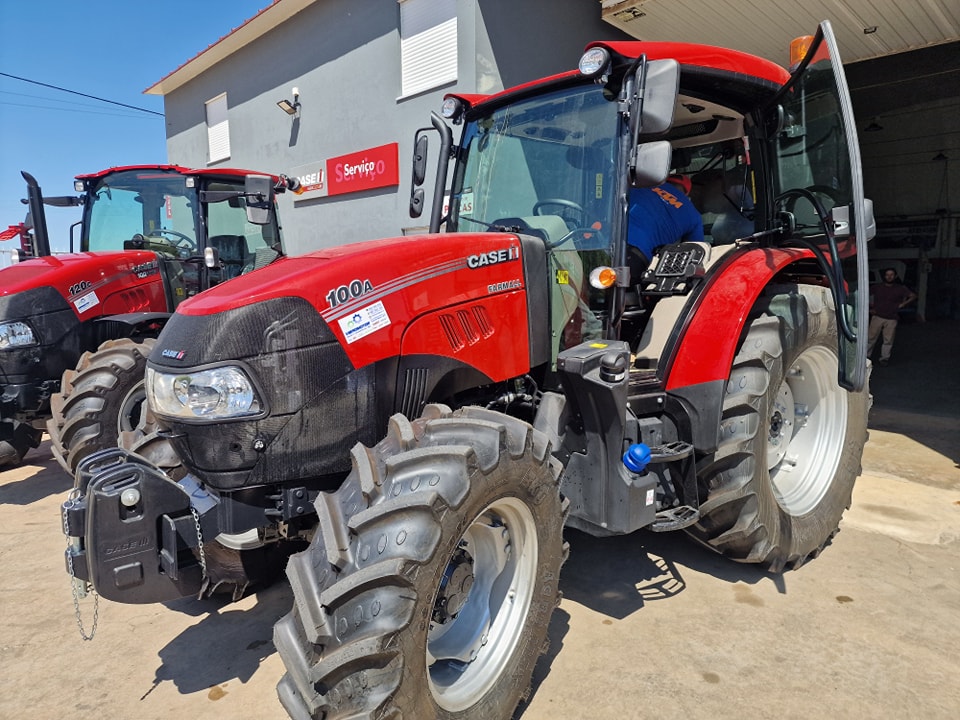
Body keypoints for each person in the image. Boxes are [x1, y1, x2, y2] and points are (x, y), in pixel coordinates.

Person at [626, 174, 703, 282]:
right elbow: (696, 252)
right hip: (637, 256)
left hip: (605, 241)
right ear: (686, 194)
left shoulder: (640, 184)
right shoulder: (694, 215)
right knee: (625, 294)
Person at [867, 267, 917, 366]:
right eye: (887, 275)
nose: (889, 277)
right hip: (877, 316)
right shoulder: (877, 287)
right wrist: (869, 308)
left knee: (888, 340)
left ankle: (884, 358)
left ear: (895, 276)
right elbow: (863, 295)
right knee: (870, 338)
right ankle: (866, 357)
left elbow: (913, 296)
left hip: (892, 318)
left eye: (891, 275)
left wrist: (903, 304)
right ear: (884, 276)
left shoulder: (900, 288)